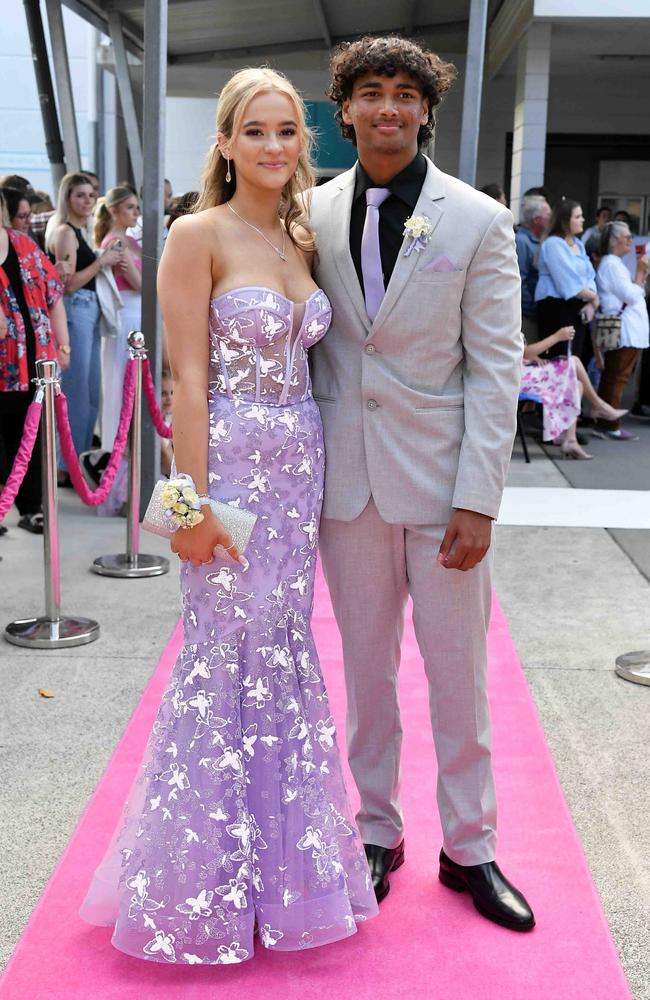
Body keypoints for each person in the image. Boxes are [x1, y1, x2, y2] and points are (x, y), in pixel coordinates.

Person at [79, 66, 378, 964]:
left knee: (282, 652)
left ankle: (278, 876)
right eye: (256, 131)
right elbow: (185, 383)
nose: (275, 147)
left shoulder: (298, 232)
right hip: (233, 472)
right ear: (224, 140)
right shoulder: (193, 234)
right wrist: (189, 509)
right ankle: (198, 889)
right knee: (220, 657)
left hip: (301, 475)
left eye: (289, 131)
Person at [309, 35, 534, 931]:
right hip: (347, 487)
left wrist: (480, 497)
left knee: (458, 678)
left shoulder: (479, 220)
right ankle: (376, 829)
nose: (390, 108)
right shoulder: (311, 211)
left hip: (446, 492)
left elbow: (496, 366)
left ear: (427, 109)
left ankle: (470, 848)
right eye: (373, 93)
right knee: (366, 675)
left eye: (406, 93)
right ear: (348, 109)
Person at [45, 173, 124, 484]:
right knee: (77, 393)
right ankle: (68, 466)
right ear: (67, 198)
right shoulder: (65, 232)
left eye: (92, 195)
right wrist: (101, 262)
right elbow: (67, 285)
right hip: (76, 309)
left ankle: (74, 462)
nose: (88, 201)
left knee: (91, 393)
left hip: (88, 312)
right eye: (81, 195)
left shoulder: (78, 231)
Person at [0, 189, 70, 533]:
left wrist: (64, 346)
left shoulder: (23, 244)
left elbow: (53, 294)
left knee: (29, 437)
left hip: (33, 362)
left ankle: (32, 507)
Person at [521, 325, 627, 458]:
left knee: (577, 384)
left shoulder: (508, 319)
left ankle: (571, 440)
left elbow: (522, 353)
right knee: (574, 362)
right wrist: (557, 337)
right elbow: (523, 352)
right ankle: (598, 405)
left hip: (526, 374)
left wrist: (533, 358)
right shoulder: (506, 319)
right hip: (521, 379)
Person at [94, 186, 142, 459]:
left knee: (131, 380)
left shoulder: (128, 240)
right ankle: (115, 448)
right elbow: (140, 283)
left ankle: (124, 444)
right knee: (119, 379)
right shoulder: (117, 242)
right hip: (127, 315)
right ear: (114, 211)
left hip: (136, 313)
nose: (136, 212)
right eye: (130, 207)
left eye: (136, 207)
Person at [594, 221, 649, 440]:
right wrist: (640, 274)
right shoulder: (612, 264)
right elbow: (632, 295)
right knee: (617, 376)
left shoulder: (613, 263)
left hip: (628, 329)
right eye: (627, 237)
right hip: (625, 330)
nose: (630, 240)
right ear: (615, 240)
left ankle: (606, 420)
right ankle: (609, 423)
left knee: (615, 375)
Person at [535, 199, 598, 361]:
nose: (582, 220)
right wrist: (593, 298)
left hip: (578, 307)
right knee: (560, 359)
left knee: (577, 358)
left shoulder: (579, 244)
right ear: (564, 221)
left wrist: (591, 303)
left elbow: (590, 275)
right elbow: (568, 284)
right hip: (556, 308)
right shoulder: (553, 244)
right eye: (577, 217)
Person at [515, 194, 551, 341]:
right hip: (526, 316)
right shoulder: (522, 242)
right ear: (537, 220)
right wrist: (532, 310)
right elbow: (519, 281)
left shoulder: (540, 241)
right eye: (548, 214)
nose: (552, 218)